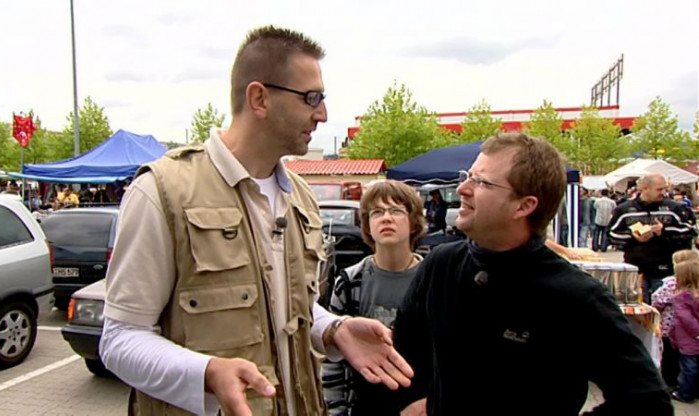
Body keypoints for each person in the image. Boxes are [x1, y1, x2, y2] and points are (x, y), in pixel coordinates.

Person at [99, 26, 412, 416]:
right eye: (311, 98)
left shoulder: (300, 198)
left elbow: (289, 309)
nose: (323, 114)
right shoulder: (163, 192)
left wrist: (333, 329)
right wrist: (206, 373)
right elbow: (120, 338)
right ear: (259, 98)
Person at [393, 132, 672, 415]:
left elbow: (648, 402)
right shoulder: (441, 264)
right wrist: (414, 401)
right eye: (468, 176)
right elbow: (404, 348)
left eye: (482, 182)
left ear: (524, 206)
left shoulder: (576, 296)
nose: (463, 188)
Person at [322, 180, 426, 415]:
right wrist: (336, 410)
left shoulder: (433, 280)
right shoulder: (349, 282)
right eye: (377, 212)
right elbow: (333, 359)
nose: (386, 218)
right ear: (367, 225)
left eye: (396, 211)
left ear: (413, 223)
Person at [608, 173, 696, 304]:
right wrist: (633, 237)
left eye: (665, 188)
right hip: (636, 267)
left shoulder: (674, 208)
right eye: (659, 189)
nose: (663, 193)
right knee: (637, 306)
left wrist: (663, 232)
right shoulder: (624, 209)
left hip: (665, 268)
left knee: (664, 306)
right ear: (644, 188)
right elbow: (612, 234)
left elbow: (690, 231)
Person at [652, 249, 699, 390]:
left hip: (672, 328)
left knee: (671, 357)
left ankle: (673, 384)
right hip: (691, 332)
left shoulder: (672, 285)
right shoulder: (695, 286)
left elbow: (657, 300)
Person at [668, 258, 699, 403]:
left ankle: (685, 393)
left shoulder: (681, 297)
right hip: (692, 337)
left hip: (688, 339)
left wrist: (696, 332)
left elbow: (685, 317)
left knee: (688, 368)